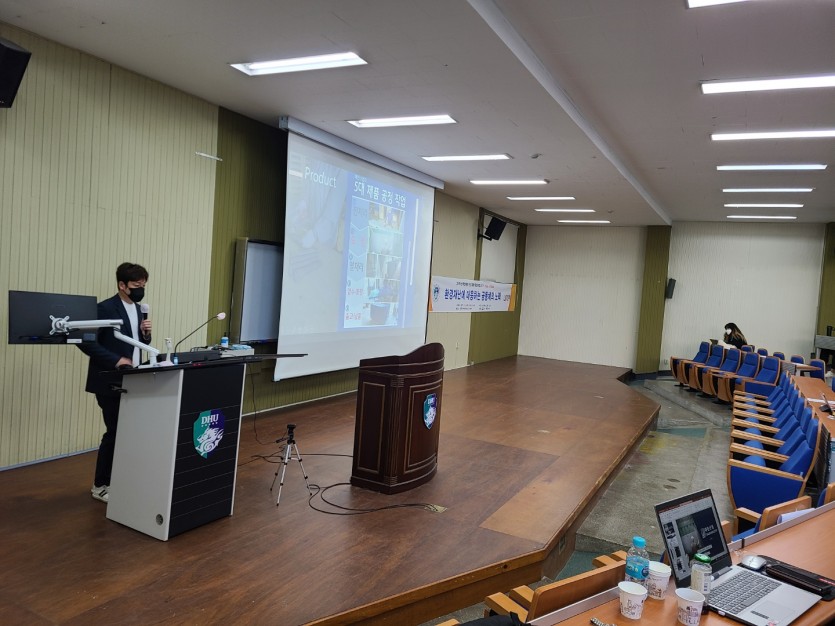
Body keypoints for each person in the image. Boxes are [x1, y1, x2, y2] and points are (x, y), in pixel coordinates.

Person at [79, 263, 152, 502]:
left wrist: (146, 334)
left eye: (143, 285)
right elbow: (86, 342)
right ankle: (100, 485)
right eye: (136, 285)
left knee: (129, 432)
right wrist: (116, 360)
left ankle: (119, 479)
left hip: (135, 377)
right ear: (122, 285)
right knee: (115, 432)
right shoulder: (105, 308)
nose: (140, 289)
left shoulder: (139, 309)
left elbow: (135, 342)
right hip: (110, 380)